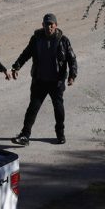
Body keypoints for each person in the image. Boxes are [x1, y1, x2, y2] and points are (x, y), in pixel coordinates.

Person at [10, 13, 78, 146]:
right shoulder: (36, 39)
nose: (49, 27)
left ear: (56, 25)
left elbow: (72, 59)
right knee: (32, 108)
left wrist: (72, 75)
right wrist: (16, 66)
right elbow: (26, 53)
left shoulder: (63, 40)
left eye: (51, 25)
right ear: (42, 25)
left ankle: (60, 134)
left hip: (56, 82)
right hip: (39, 81)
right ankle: (25, 135)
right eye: (46, 25)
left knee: (58, 108)